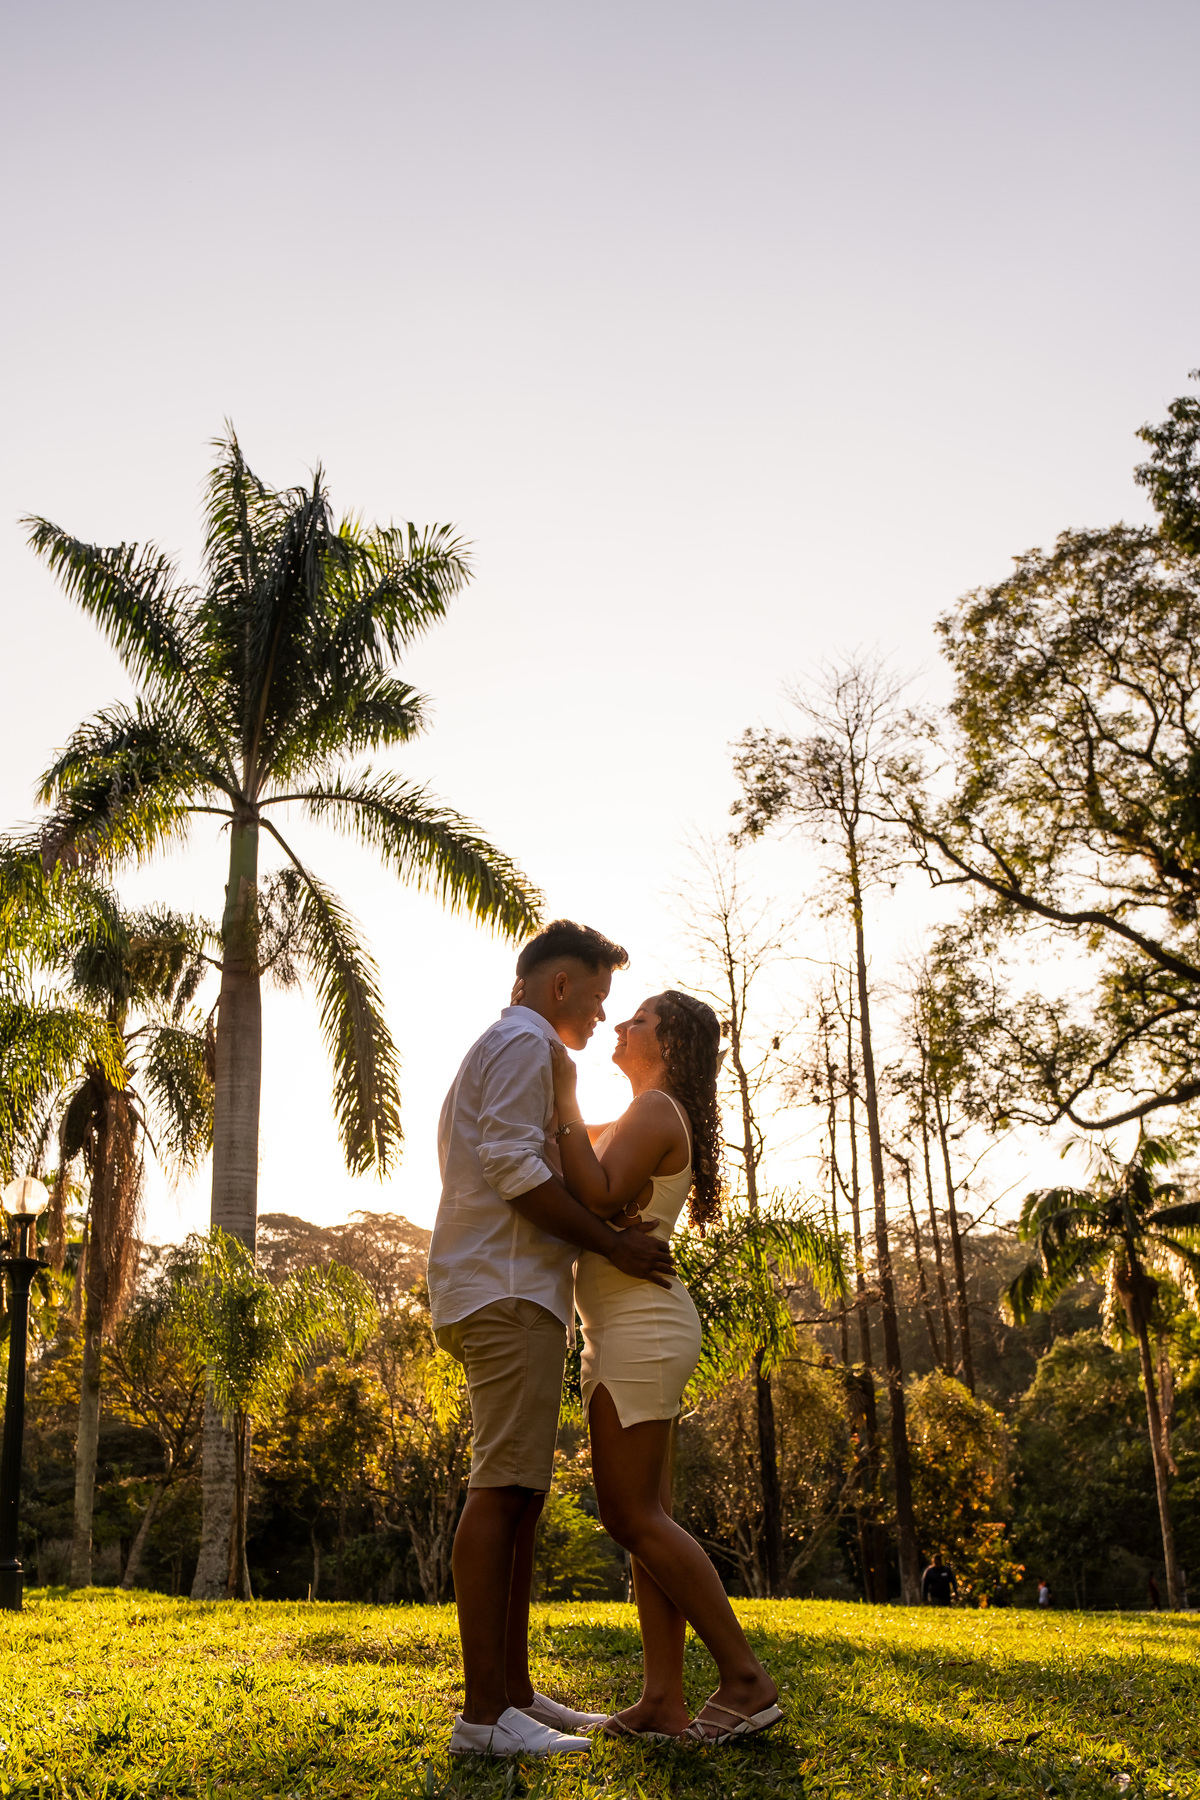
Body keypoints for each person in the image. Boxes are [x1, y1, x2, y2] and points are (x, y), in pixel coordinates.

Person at [427, 920, 676, 1759]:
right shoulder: (528, 1047)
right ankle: (482, 1716)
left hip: (510, 1289)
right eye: (599, 996)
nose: (604, 1017)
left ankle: (514, 1695)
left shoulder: (521, 1050)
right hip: (504, 1291)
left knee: (522, 1493)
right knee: (501, 1490)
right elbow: (513, 1169)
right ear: (559, 984)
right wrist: (611, 1243)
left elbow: (538, 1164)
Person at [548, 988, 782, 1745]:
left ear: (673, 1043)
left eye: (640, 1019)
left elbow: (601, 1190)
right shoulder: (645, 1115)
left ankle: (746, 1680)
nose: (620, 1025)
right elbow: (577, 1170)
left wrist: (561, 1094)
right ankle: (660, 1702)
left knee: (630, 1514)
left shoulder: (654, 1112)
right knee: (649, 1518)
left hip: (640, 1327)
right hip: (628, 1324)